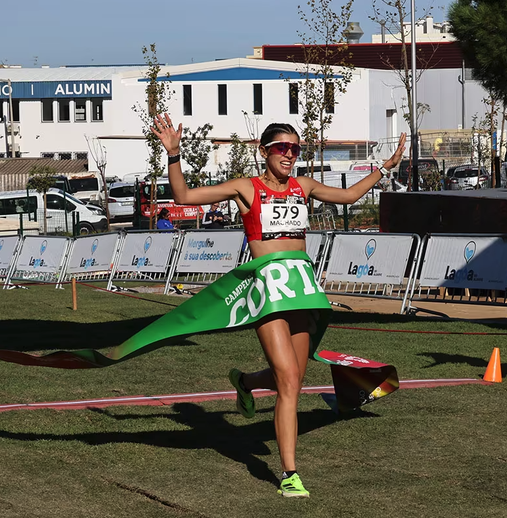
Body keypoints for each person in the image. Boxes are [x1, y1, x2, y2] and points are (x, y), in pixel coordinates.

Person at [152, 112, 406, 498]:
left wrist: (383, 169)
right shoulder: (246, 188)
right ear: (264, 151)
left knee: (294, 378)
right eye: (281, 148)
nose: (289, 155)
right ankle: (290, 473)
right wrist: (173, 155)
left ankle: (248, 381)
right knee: (289, 381)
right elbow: (185, 197)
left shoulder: (303, 186)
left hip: (301, 290)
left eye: (295, 148)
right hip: (267, 292)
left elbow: (350, 196)